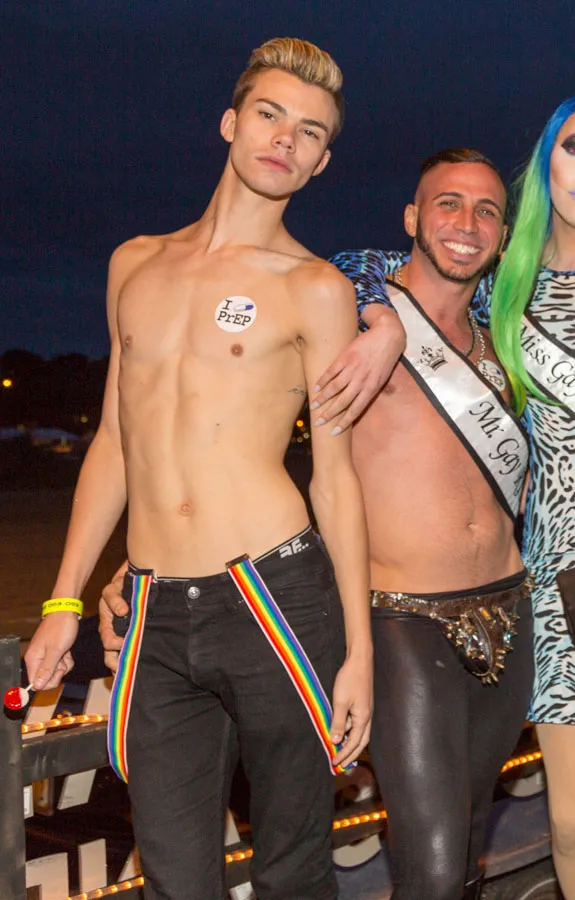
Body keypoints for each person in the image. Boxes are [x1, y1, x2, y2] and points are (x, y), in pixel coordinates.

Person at [101, 148, 534, 900]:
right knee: (432, 866)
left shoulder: (507, 329)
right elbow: (219, 420)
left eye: (487, 211)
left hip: (508, 610)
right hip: (401, 615)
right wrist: (143, 559)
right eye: (447, 203)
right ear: (411, 217)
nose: (467, 222)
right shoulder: (355, 306)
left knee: (465, 843)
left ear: (503, 236)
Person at [335, 95, 575, 900]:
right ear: (547, 165)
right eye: (574, 148)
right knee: (571, 820)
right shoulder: (506, 282)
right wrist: (383, 320)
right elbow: (356, 263)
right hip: (543, 581)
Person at [24, 38, 373, 900]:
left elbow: (335, 478)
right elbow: (114, 440)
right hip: (153, 607)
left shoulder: (316, 288)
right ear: (229, 122)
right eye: (270, 114)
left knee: (293, 868)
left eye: (310, 132)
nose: (285, 139)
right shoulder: (133, 264)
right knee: (176, 875)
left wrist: (359, 650)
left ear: (322, 162)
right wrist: (65, 600)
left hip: (274, 597)